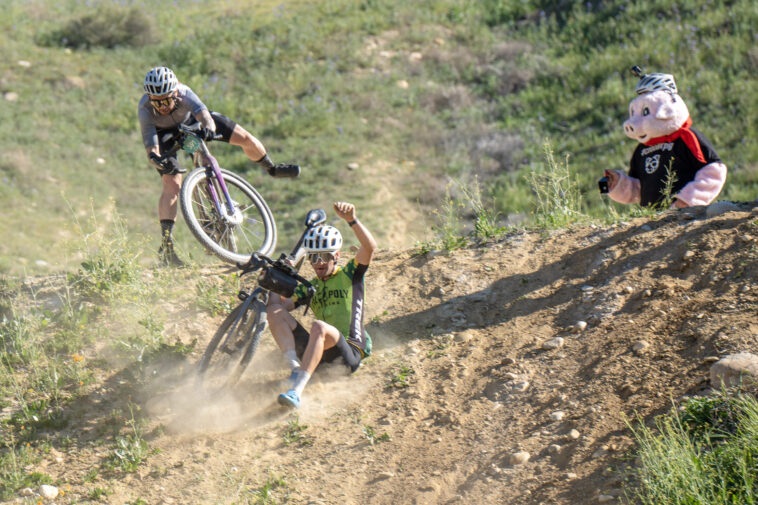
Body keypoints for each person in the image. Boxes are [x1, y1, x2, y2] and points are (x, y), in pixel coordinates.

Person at [138, 66, 300, 266]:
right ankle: (166, 245)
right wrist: (155, 157)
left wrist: (209, 129)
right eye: (157, 102)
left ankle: (272, 168)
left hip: (191, 121)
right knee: (172, 183)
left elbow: (203, 113)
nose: (162, 106)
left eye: (166, 100)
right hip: (163, 134)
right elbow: (150, 142)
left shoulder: (185, 92)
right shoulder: (145, 108)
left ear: (175, 92)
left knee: (244, 137)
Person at [267, 202, 377, 409]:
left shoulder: (349, 275)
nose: (319, 262)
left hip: (349, 353)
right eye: (313, 257)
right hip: (320, 358)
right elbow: (275, 308)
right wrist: (278, 278)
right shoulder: (311, 287)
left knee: (319, 327)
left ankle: (296, 391)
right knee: (274, 311)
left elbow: (369, 248)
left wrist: (352, 220)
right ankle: (295, 369)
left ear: (336, 256)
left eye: (325, 256)